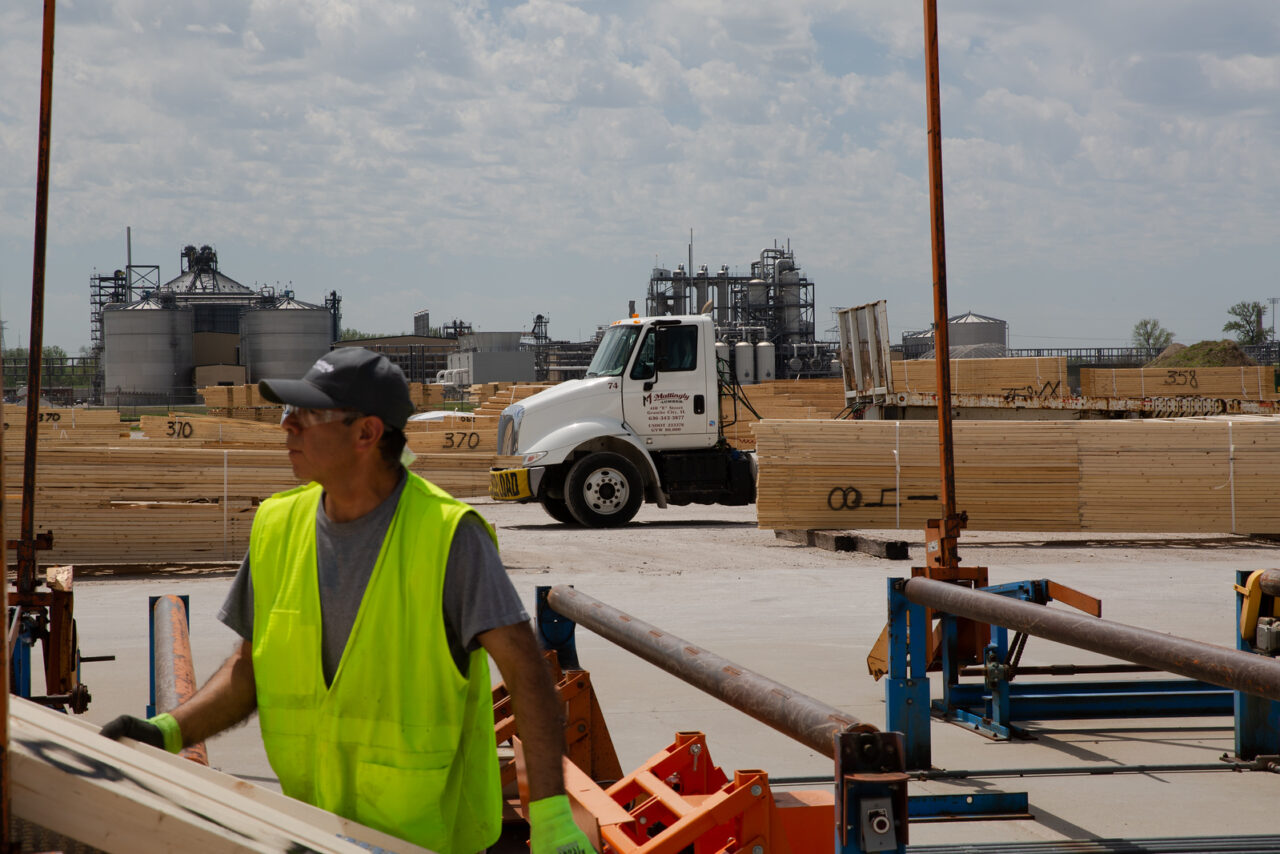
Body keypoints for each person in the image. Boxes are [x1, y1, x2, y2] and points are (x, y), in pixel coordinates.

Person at [102, 348, 594, 854]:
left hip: (428, 840)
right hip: (314, 832)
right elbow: (250, 671)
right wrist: (165, 732)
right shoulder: (276, 526)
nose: (287, 426)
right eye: (287, 414)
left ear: (367, 433)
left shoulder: (447, 536)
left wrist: (551, 817)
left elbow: (527, 674)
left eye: (308, 415)